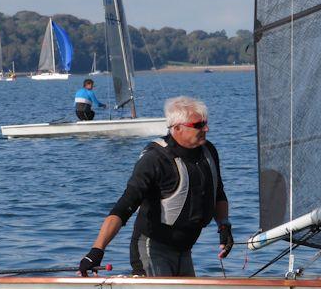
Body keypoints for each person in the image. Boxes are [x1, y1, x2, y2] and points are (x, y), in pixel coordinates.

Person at [78, 96, 233, 277]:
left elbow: (218, 193)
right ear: (177, 128)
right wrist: (97, 250)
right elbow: (124, 206)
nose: (206, 128)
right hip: (152, 249)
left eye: (205, 123)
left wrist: (224, 226)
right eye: (198, 125)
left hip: (185, 250)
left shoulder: (209, 152)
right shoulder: (155, 159)